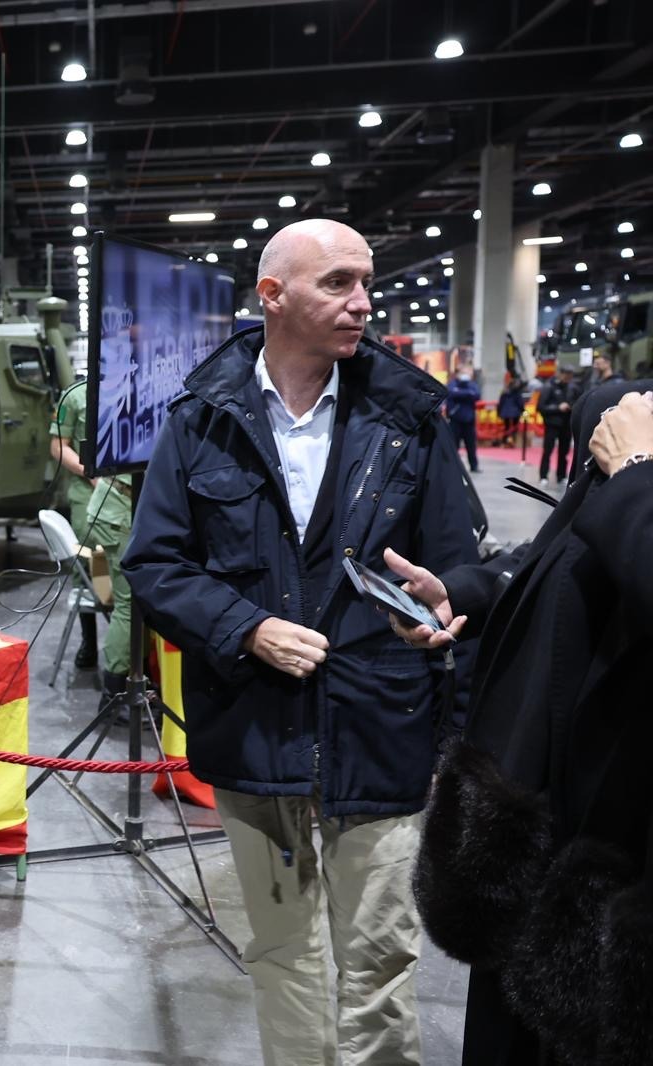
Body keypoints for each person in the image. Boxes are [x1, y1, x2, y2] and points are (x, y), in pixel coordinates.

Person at [121, 219, 479, 1066]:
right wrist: (246, 628)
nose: (363, 303)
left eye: (367, 282)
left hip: (380, 729)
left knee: (382, 959)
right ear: (272, 296)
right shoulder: (201, 420)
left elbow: (460, 564)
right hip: (256, 732)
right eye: (338, 282)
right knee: (282, 954)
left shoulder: (410, 416)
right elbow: (156, 564)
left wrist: (441, 603)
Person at [388, 379, 653, 1065]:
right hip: (535, 838)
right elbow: (566, 555)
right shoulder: (629, 423)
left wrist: (635, 473)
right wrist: (464, 591)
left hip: (611, 860)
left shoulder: (638, 460)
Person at [49, 379, 134, 685]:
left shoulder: (135, 390)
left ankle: (120, 643)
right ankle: (90, 641)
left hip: (123, 495)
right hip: (88, 494)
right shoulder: (74, 395)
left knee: (118, 580)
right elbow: (59, 446)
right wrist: (92, 472)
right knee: (88, 567)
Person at [537, 367, 577, 486]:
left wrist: (571, 407)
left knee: (564, 452)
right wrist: (557, 408)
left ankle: (561, 475)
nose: (567, 378)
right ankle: (543, 475)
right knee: (548, 451)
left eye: (570, 376)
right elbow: (541, 406)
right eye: (565, 375)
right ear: (560, 374)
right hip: (552, 424)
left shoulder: (572, 388)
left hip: (566, 424)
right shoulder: (549, 386)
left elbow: (576, 401)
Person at [444, 363, 481, 471]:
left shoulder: (472, 384)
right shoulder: (452, 384)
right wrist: (468, 394)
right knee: (453, 445)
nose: (466, 374)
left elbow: (477, 395)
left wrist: (462, 393)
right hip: (455, 420)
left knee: (471, 445)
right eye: (464, 372)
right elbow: (452, 393)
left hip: (469, 420)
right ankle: (451, 467)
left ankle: (474, 466)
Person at [496, 377, 527, 446]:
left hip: (505, 412)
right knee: (515, 427)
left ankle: (505, 441)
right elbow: (520, 404)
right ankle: (513, 439)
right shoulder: (517, 392)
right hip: (515, 412)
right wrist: (525, 412)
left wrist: (499, 412)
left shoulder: (504, 392)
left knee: (506, 427)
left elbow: (500, 403)